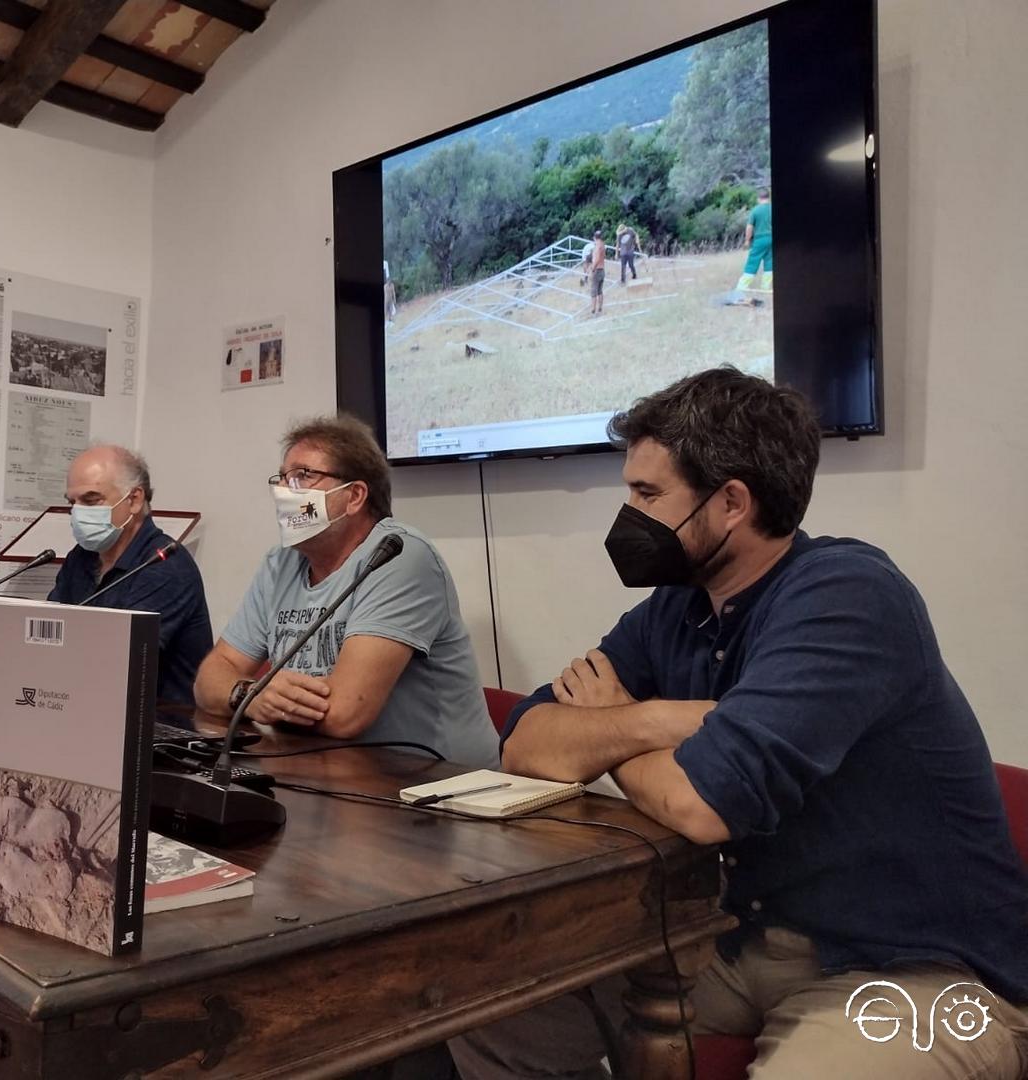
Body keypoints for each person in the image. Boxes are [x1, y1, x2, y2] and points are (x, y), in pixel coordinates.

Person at [452, 368, 1028, 1080]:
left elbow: (700, 805)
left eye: (646, 494)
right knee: (490, 1007)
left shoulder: (848, 594)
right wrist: (656, 720)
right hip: (735, 938)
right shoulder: (677, 606)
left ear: (731, 503)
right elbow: (528, 741)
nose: (627, 514)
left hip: (915, 968)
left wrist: (607, 727)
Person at [194, 415, 498, 766]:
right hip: (329, 773)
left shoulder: (399, 555)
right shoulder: (280, 563)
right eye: (281, 478)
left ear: (354, 496)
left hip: (438, 789)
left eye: (303, 476)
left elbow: (344, 714)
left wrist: (257, 698)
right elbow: (210, 677)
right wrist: (248, 693)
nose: (284, 491)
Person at [47, 445, 212, 709]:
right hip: (87, 708)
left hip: (159, 728)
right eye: (72, 503)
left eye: (90, 501)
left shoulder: (166, 565)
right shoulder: (81, 557)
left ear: (134, 499)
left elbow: (118, 663)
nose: (77, 513)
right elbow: (50, 636)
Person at [737, 187, 773, 293]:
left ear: (759, 198)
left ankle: (742, 285)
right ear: (768, 197)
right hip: (771, 238)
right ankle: (765, 286)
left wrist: (747, 240)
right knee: (769, 262)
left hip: (760, 239)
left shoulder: (756, 210)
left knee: (753, 261)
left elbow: (749, 227)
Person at [588, 230, 607, 316]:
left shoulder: (598, 246)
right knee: (600, 291)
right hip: (602, 269)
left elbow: (597, 258)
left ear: (594, 237)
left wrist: (593, 269)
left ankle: (593, 310)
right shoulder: (603, 245)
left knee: (594, 291)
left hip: (597, 270)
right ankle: (600, 308)